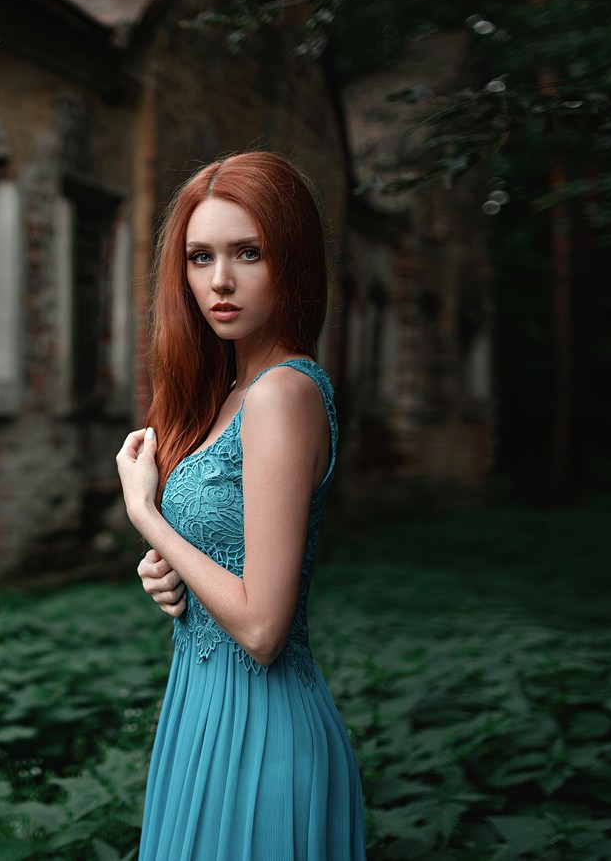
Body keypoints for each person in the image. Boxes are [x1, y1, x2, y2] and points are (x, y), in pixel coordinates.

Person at [115, 151, 367, 859]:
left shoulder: (283, 394)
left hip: (261, 733)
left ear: (291, 262)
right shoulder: (231, 396)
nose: (219, 281)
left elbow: (262, 628)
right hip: (199, 712)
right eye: (200, 257)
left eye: (247, 253)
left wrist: (148, 516)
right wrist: (166, 572)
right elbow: (233, 560)